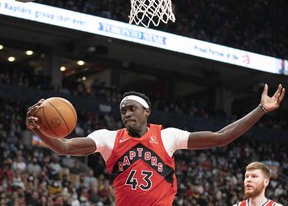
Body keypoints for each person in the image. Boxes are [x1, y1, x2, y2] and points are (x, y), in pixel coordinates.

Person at [26, 84, 285, 206]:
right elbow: (65, 147)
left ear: (147, 111)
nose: (126, 113)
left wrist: (261, 109)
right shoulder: (107, 138)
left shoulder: (167, 136)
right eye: (123, 110)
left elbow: (220, 137)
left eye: (132, 108)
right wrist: (37, 129)